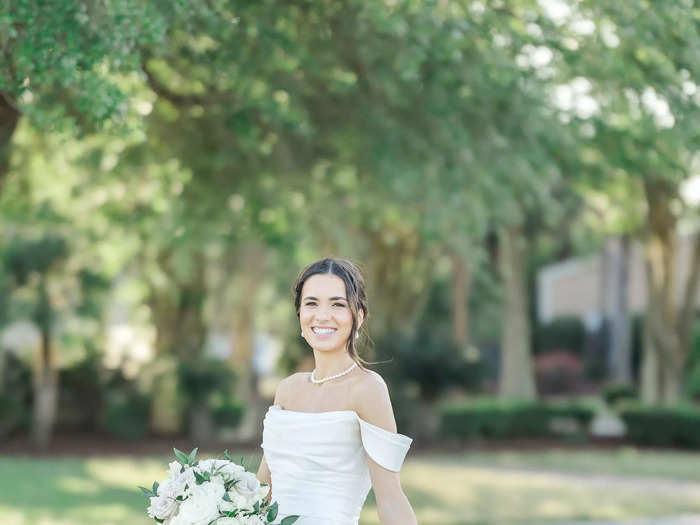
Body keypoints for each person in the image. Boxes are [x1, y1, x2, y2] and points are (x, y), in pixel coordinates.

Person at [256, 257, 418, 525]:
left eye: (337, 304)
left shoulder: (368, 389)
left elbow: (390, 499)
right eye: (311, 303)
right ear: (299, 315)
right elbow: (262, 492)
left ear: (359, 316)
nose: (322, 315)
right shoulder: (287, 389)